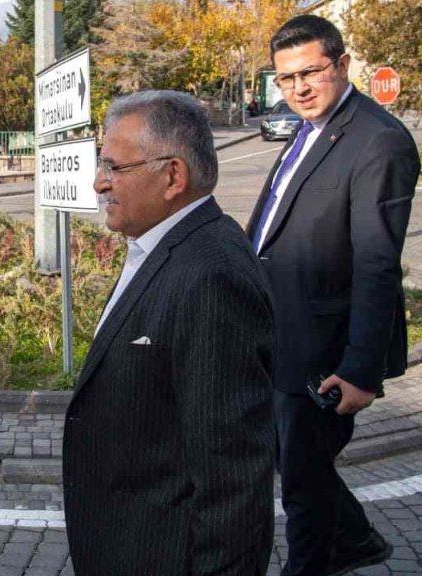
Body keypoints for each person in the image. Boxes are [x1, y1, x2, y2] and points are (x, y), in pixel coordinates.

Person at [63, 90, 276, 575]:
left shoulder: (210, 275)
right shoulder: (160, 245)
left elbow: (232, 475)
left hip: (161, 553)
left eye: (115, 168)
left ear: (173, 176)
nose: (99, 183)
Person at [246, 15, 419, 576]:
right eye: (286, 77)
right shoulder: (308, 130)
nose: (297, 87)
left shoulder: (378, 140)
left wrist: (362, 370)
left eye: (311, 72)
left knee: (302, 483)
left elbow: (376, 263)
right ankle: (358, 540)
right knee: (302, 468)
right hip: (281, 334)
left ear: (342, 65)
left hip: (325, 349)